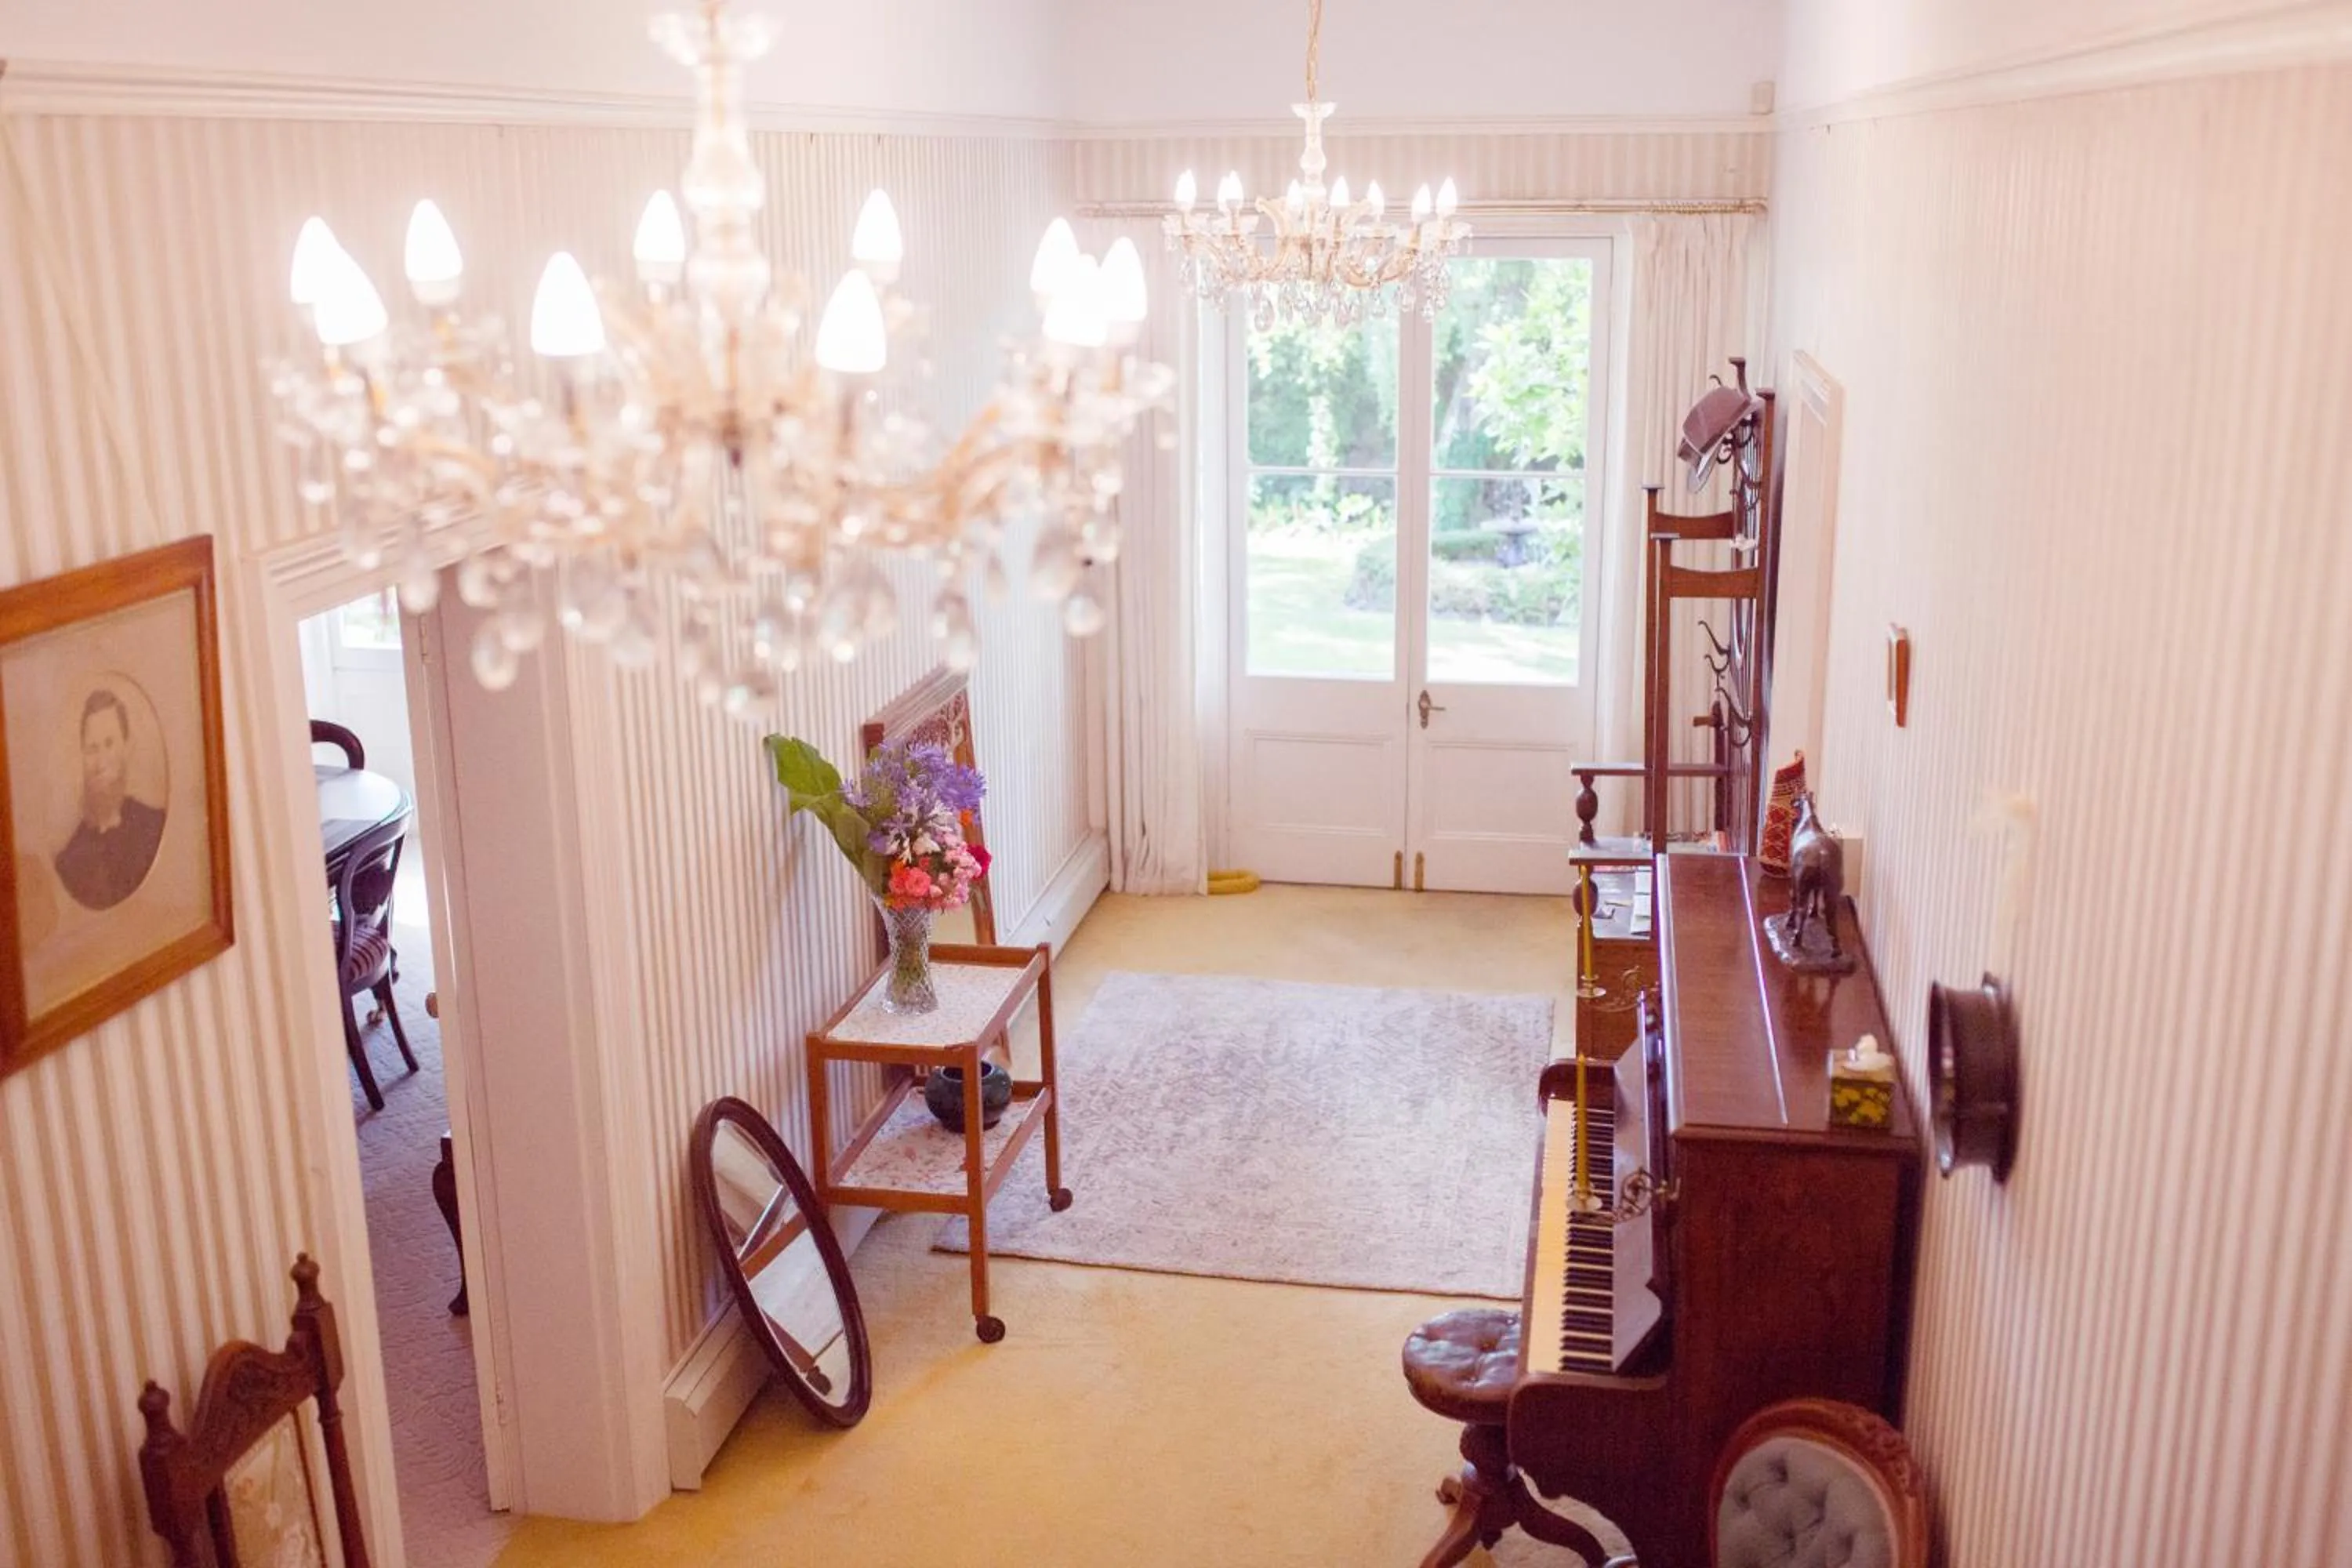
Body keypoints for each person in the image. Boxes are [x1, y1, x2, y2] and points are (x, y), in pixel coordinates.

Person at [53, 688, 165, 912]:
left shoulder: (155, 826)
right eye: (91, 749)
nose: (101, 762)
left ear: (126, 747)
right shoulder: (68, 861)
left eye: (109, 744)